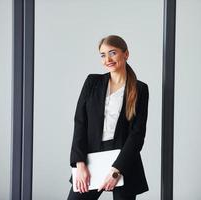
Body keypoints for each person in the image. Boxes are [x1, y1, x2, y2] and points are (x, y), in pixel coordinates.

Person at [67, 35, 149, 200]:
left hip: (123, 162)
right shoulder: (92, 82)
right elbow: (80, 123)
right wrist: (79, 163)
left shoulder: (140, 89)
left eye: (112, 53)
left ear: (126, 54)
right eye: (103, 55)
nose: (107, 59)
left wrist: (116, 170)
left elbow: (137, 134)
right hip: (91, 160)